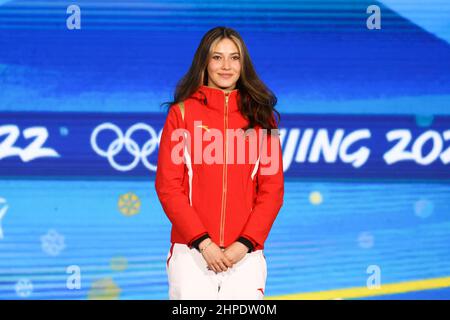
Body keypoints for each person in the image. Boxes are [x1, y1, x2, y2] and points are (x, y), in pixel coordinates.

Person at [155, 26, 284, 300]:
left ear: (243, 63)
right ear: (204, 62)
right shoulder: (181, 114)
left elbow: (272, 190)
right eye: (217, 57)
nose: (226, 66)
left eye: (234, 57)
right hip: (191, 253)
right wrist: (203, 243)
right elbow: (169, 187)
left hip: (246, 255)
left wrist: (244, 245)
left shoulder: (264, 118)